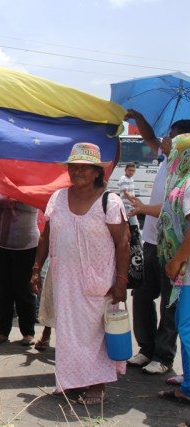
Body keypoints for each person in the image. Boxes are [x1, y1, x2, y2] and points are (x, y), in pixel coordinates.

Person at [31, 142, 129, 405]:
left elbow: (123, 243)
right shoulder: (58, 198)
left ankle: (96, 386)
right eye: (73, 167)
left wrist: (121, 281)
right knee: (68, 333)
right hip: (65, 281)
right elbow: (45, 237)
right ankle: (71, 381)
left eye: (84, 168)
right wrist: (36, 269)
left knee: (94, 334)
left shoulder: (111, 201)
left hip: (98, 280)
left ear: (97, 172)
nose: (77, 172)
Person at [125, 111, 190, 376]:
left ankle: (163, 356)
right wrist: (138, 117)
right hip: (151, 241)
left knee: (170, 305)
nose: (166, 140)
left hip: (173, 248)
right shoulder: (167, 160)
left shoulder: (185, 171)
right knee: (141, 295)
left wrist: (143, 207)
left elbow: (172, 209)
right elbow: (149, 136)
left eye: (173, 137)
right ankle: (146, 349)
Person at [156, 133, 190, 406]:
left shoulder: (188, 183)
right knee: (184, 326)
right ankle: (187, 385)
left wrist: (176, 260)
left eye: (174, 152)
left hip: (186, 271)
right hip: (183, 275)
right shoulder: (180, 182)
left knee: (187, 331)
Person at [0, 187, 38, 347]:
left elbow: (47, 206)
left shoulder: (36, 183)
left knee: (24, 290)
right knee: (2, 290)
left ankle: (28, 333)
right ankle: (1, 332)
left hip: (27, 245)